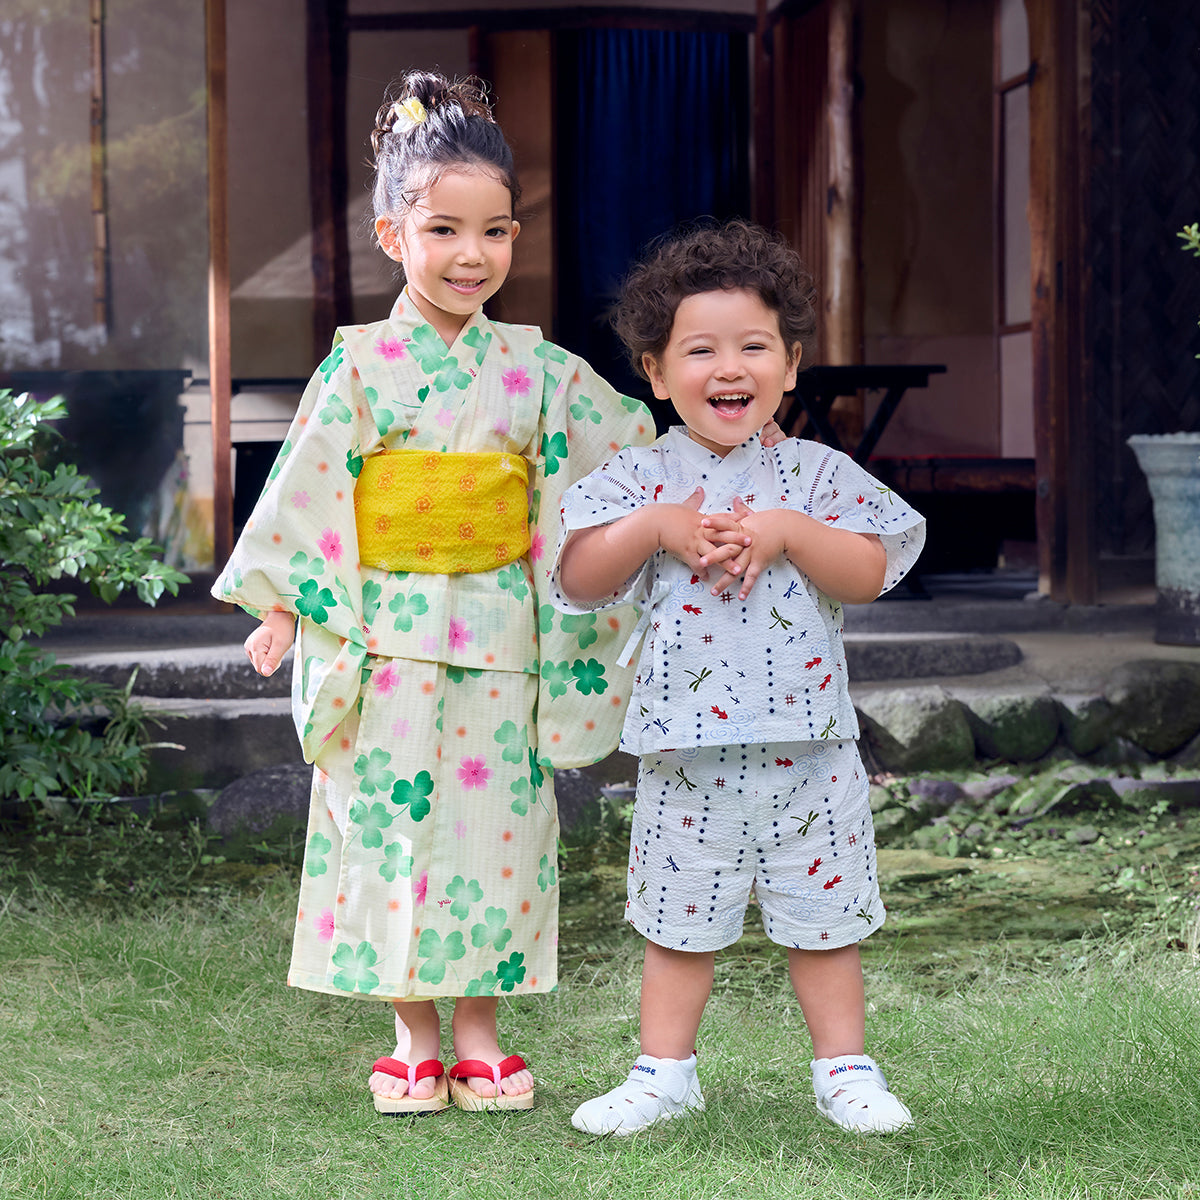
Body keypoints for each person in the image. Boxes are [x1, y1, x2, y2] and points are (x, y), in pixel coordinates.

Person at [211, 71, 661, 1115]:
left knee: (499, 835)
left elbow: (626, 443)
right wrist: (283, 603)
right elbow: (312, 492)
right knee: (391, 830)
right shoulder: (358, 366)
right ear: (391, 234)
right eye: (445, 230)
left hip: (501, 633)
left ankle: (481, 1034)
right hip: (385, 638)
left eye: (495, 232)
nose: (472, 255)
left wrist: (712, 427)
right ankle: (413, 1035)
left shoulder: (538, 368)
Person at [551, 219, 926, 1136]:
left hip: (810, 749)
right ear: (655, 373)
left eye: (754, 346)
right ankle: (663, 1073)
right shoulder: (639, 478)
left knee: (824, 916)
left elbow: (870, 571)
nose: (730, 367)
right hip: (686, 753)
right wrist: (656, 528)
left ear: (790, 365)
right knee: (678, 920)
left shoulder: (816, 475)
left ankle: (845, 1071)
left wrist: (791, 532)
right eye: (700, 350)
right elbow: (577, 577)